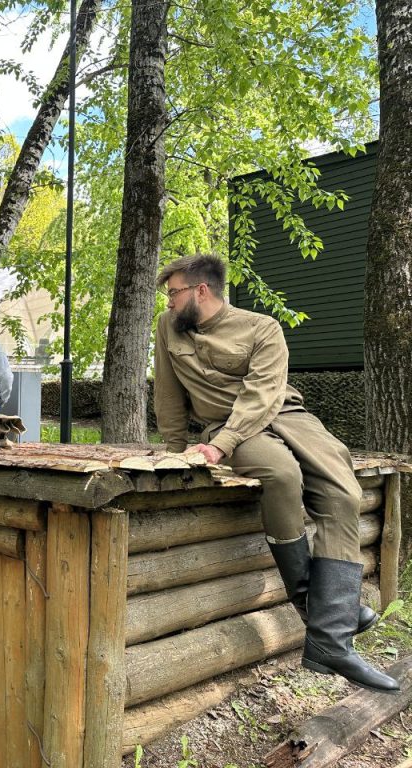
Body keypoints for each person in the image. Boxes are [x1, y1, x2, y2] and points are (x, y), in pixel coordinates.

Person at [153, 254, 399, 694]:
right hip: (225, 427)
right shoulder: (167, 328)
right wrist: (176, 451)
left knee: (343, 493)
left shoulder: (262, 327)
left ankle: (327, 631)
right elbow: (168, 393)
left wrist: (219, 446)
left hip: (282, 414)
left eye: (173, 293)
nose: (168, 302)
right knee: (281, 475)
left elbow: (262, 395)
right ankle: (330, 627)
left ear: (201, 291)